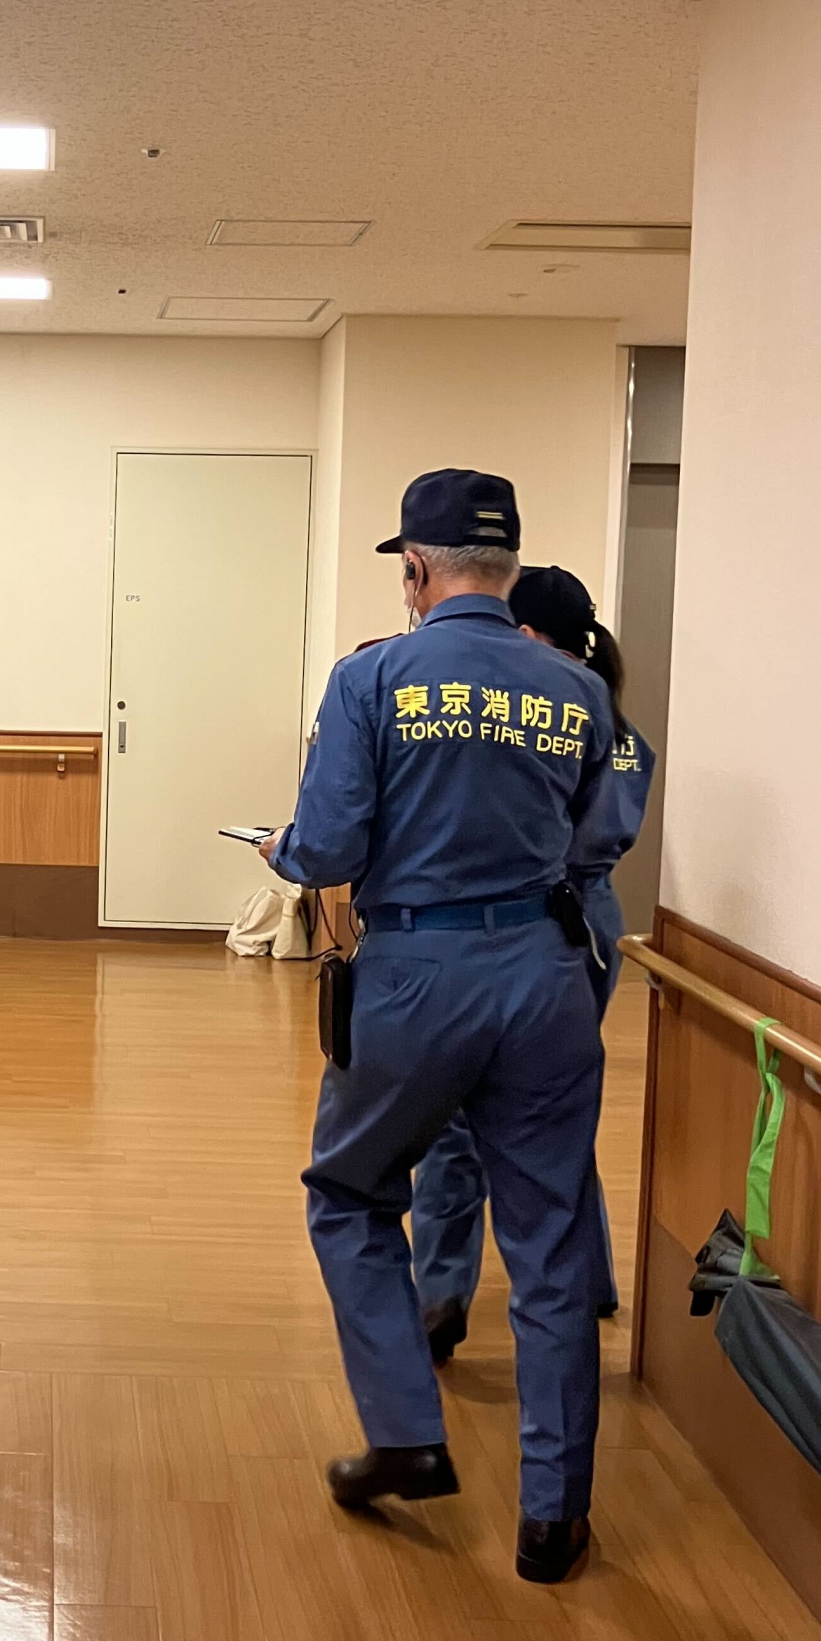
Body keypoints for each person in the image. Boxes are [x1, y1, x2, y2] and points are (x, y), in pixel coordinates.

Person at [264, 470, 614, 1584]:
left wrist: (282, 849)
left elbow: (328, 848)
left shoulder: (373, 677)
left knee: (351, 1193)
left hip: (418, 977)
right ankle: (554, 1519)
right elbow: (591, 842)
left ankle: (408, 1432)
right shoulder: (579, 691)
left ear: (415, 568)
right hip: (547, 975)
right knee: (551, 1244)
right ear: (508, 569)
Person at [411, 565, 654, 1361]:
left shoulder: (529, 715)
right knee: (554, 1111)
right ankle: (588, 1281)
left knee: (454, 1107)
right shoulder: (617, 728)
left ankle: (440, 1292)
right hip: (589, 923)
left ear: (524, 633)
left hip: (524, 921)